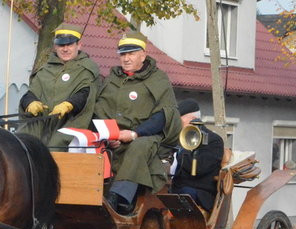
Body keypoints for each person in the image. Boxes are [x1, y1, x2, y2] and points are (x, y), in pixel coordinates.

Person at [94, 30, 181, 215]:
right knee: (82, 145)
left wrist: (134, 134)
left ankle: (119, 198)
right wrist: (111, 135)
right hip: (114, 137)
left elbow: (164, 115)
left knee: (139, 147)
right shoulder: (112, 79)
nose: (126, 59)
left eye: (131, 53)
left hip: (147, 137)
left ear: (143, 54)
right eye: (123, 54)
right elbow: (100, 109)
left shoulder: (158, 79)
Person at [18, 23, 99, 150]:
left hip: (71, 124)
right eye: (61, 45)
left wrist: (69, 105)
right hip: (41, 123)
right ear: (55, 46)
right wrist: (30, 102)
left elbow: (85, 94)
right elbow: (30, 93)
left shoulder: (87, 69)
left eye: (69, 45)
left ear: (79, 45)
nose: (65, 49)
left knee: (56, 147)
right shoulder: (45, 69)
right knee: (21, 144)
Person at [171, 99, 224, 212]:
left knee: (185, 195)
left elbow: (200, 168)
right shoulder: (177, 138)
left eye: (179, 122)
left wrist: (183, 149)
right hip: (175, 187)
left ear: (193, 120)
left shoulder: (214, 140)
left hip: (199, 191)